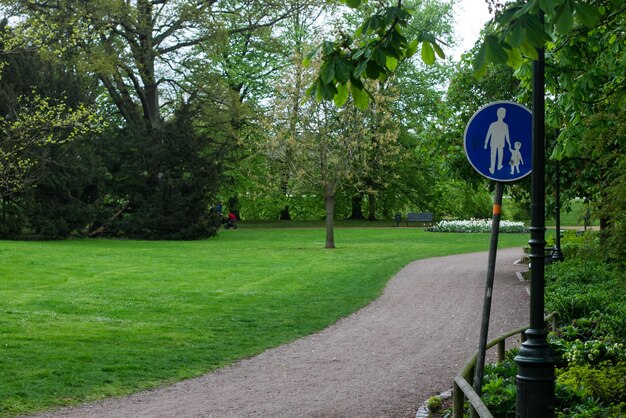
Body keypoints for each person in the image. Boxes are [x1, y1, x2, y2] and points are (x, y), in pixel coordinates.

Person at [484, 107, 512, 174]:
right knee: (493, 155)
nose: (502, 114)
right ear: (497, 114)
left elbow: (507, 136)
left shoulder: (505, 125)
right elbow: (488, 134)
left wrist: (509, 143)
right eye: (501, 113)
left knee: (500, 155)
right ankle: (492, 168)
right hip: (493, 142)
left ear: (505, 115)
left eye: (503, 113)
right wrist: (485, 143)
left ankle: (499, 166)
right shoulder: (493, 124)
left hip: (500, 143)